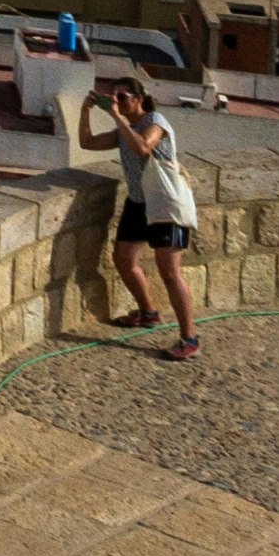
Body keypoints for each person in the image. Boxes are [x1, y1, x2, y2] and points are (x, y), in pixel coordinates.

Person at [90, 75, 201, 362]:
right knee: (124, 259)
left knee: (169, 270)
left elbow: (143, 147)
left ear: (138, 99)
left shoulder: (157, 120)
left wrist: (116, 117)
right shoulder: (123, 129)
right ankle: (148, 313)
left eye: (122, 97)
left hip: (165, 203)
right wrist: (84, 112)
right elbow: (87, 142)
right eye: (113, 96)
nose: (116, 101)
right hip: (138, 202)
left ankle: (190, 338)